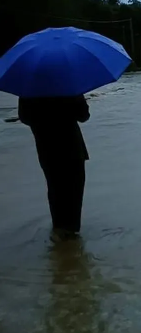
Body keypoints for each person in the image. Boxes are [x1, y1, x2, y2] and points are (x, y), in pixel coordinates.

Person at [18, 95, 90, 239]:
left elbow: (24, 117)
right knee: (74, 190)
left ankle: (59, 228)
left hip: (46, 146)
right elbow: (83, 115)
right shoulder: (68, 86)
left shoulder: (29, 90)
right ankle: (71, 232)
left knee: (55, 188)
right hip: (71, 147)